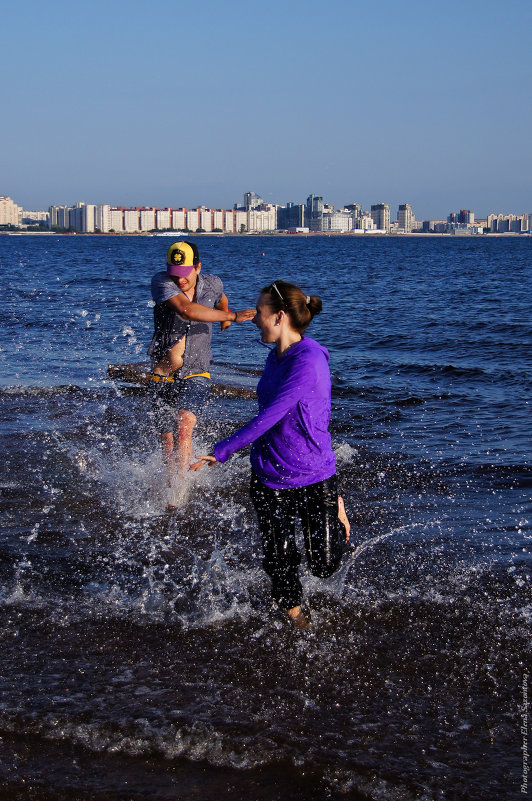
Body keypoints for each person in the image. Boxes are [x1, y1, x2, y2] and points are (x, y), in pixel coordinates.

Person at [191, 280, 350, 628]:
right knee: (279, 560)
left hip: (314, 474)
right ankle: (297, 621)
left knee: (322, 564)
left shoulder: (308, 360)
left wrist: (223, 450)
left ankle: (336, 509)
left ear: (279, 317)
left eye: (259, 312)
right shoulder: (274, 356)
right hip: (269, 474)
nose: (253, 318)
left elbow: (271, 414)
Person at [147, 240, 255, 502]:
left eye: (185, 274)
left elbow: (221, 297)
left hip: (198, 370)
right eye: (175, 274)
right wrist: (232, 317)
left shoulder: (213, 282)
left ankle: (178, 497)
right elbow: (187, 310)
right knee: (168, 441)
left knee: (185, 424)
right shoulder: (162, 283)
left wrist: (225, 311)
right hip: (162, 375)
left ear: (198, 266)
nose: (180, 281)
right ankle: (170, 484)